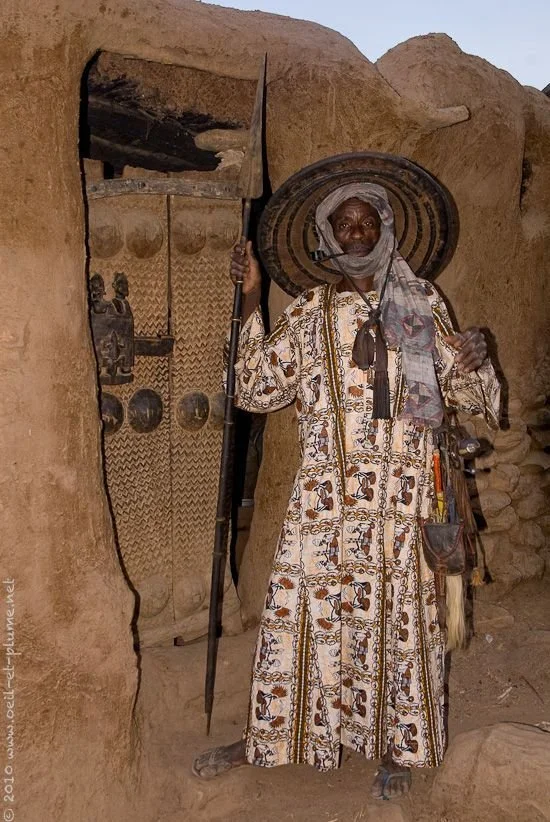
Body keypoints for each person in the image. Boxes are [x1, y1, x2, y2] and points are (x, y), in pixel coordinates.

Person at [193, 182, 499, 799]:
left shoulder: (421, 302)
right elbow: (255, 388)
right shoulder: (309, 312)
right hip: (324, 503)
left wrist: (475, 357)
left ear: (385, 227)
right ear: (328, 238)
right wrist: (252, 296)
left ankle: (399, 748)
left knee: (400, 620)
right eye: (344, 224)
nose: (356, 232)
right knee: (302, 613)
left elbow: (474, 398)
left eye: (366, 221)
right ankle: (275, 737)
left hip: (403, 498)